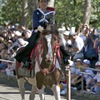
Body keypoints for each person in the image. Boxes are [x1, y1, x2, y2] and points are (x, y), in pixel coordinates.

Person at [14, 0, 55, 67]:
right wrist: (43, 31)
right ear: (39, 3)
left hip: (49, 33)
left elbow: (52, 23)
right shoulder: (36, 12)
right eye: (41, 2)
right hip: (38, 32)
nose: (43, 3)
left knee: (59, 43)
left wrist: (49, 30)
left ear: (47, 3)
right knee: (31, 44)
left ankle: (64, 59)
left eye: (45, 2)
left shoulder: (51, 13)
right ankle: (26, 60)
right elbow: (36, 24)